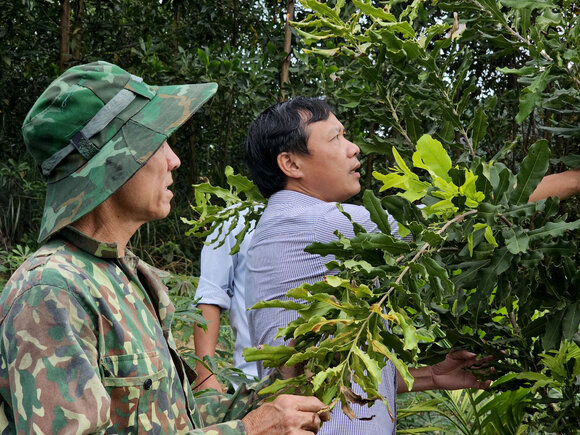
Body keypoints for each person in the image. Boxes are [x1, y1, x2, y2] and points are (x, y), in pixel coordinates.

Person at [0, 62, 329, 434]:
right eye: (158, 142)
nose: (174, 160)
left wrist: (275, 394)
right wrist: (248, 431)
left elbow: (172, 418)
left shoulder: (127, 274)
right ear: (114, 162)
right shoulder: (51, 292)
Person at [243, 96, 580, 434]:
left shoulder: (280, 224)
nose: (354, 148)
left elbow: (330, 369)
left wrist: (430, 375)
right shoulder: (317, 222)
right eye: (336, 138)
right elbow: (477, 208)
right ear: (292, 164)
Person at [193, 214, 258, 392]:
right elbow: (210, 298)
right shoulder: (236, 219)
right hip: (252, 385)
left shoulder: (335, 217)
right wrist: (205, 376)